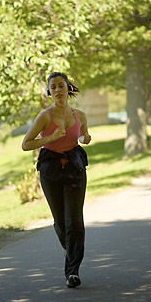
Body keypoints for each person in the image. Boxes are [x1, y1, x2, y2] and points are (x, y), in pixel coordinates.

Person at [22, 72, 91, 288]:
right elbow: (26, 144)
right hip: (51, 169)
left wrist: (85, 138)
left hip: (74, 168)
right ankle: (69, 250)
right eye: (54, 87)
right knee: (61, 222)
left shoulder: (79, 115)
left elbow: (84, 136)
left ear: (68, 88)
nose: (58, 90)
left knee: (75, 222)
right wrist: (50, 138)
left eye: (61, 85)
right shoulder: (45, 116)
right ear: (49, 92)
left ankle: (73, 272)